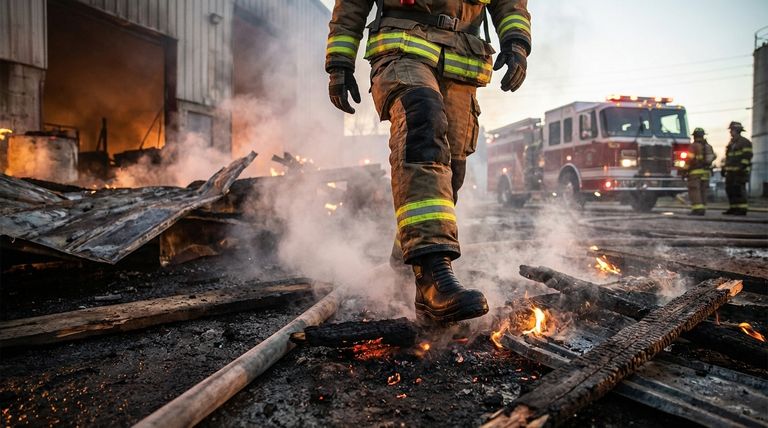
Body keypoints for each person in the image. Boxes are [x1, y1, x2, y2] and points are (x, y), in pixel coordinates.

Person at [325, 0, 531, 323]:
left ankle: (401, 271)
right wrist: (340, 59)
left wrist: (516, 41)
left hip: (462, 58)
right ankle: (432, 277)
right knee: (422, 125)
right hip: (402, 46)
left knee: (449, 177)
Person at [723, 121, 753, 215]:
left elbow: (747, 156)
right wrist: (724, 168)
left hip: (740, 171)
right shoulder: (731, 143)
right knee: (730, 189)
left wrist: (742, 167)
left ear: (737, 130)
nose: (730, 132)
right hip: (731, 172)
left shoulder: (744, 142)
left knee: (739, 189)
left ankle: (742, 209)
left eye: (732, 130)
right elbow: (728, 157)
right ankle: (733, 208)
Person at [684, 127, 715, 216]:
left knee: (694, 190)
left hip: (695, 172)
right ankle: (703, 208)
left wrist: (684, 170)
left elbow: (688, 160)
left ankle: (697, 210)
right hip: (706, 172)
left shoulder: (693, 146)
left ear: (694, 136)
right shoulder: (708, 147)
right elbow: (712, 157)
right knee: (703, 190)